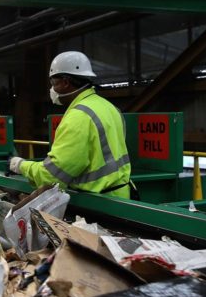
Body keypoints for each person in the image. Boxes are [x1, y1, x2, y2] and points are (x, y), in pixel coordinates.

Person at [9, 51, 131, 198]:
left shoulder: (79, 116)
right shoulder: (109, 107)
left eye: (54, 83)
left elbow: (52, 176)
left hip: (100, 203)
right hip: (121, 195)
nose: (52, 90)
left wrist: (20, 165)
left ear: (66, 82)